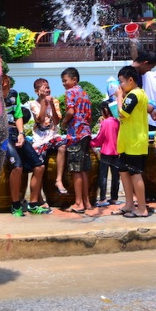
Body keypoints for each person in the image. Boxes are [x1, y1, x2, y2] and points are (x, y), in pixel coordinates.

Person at [1, 74, 50, 217]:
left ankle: (33, 204)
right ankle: (15, 205)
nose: (4, 89)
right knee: (17, 166)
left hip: (15, 132)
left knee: (39, 165)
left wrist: (21, 133)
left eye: (6, 85)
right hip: (1, 137)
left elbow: (18, 115)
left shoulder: (13, 94)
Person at [111, 66, 150, 218]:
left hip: (135, 140)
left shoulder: (134, 95)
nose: (120, 85)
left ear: (131, 80)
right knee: (123, 171)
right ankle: (129, 203)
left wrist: (119, 97)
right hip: (128, 140)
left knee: (135, 173)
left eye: (122, 82)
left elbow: (122, 113)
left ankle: (141, 207)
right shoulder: (136, 94)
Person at [57, 67, 93, 213]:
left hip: (76, 134)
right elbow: (90, 117)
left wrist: (64, 122)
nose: (64, 84)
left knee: (76, 170)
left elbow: (71, 111)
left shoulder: (70, 92)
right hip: (86, 133)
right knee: (83, 169)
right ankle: (87, 201)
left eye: (65, 80)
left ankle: (78, 203)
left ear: (74, 80)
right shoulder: (85, 94)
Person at [91, 101, 120, 207]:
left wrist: (90, 143)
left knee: (103, 176)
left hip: (106, 152)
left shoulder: (105, 122)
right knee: (115, 177)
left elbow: (100, 138)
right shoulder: (117, 122)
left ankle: (103, 198)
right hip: (116, 152)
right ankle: (114, 198)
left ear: (105, 110)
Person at [28, 78, 62, 158]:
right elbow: (40, 120)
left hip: (53, 136)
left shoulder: (55, 101)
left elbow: (56, 122)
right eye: (44, 88)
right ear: (37, 91)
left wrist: (52, 105)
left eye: (48, 87)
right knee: (42, 156)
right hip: (40, 138)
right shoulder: (33, 104)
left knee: (63, 147)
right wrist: (43, 101)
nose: (47, 90)